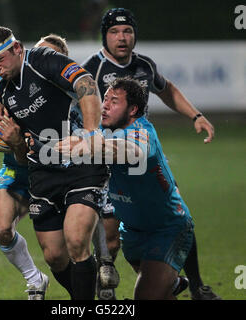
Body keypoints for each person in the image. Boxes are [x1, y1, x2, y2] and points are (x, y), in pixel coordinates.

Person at [82, 7, 220, 300]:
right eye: (115, 32)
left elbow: (166, 89)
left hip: (140, 152)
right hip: (107, 160)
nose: (122, 38)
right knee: (113, 234)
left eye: (128, 31)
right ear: (104, 36)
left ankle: (195, 284)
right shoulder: (91, 70)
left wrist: (196, 116)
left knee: (175, 210)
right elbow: (77, 109)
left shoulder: (144, 65)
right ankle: (122, 285)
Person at [0, 26, 110, 300]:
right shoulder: (3, 92)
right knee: (55, 256)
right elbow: (21, 159)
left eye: (0, 59)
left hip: (80, 166)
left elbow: (85, 83)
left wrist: (90, 133)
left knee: (76, 241)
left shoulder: (42, 60)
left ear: (17, 48)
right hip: (42, 173)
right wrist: (12, 142)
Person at [56, 77, 195, 299]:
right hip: (131, 231)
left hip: (167, 228)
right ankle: (171, 282)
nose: (105, 105)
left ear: (133, 109)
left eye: (114, 101)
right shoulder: (102, 129)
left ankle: (170, 280)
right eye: (106, 99)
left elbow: (132, 151)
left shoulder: (142, 132)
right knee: (158, 291)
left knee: (145, 295)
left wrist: (90, 146)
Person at [0, 34, 70, 300]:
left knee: (71, 244)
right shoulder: (3, 80)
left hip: (59, 168)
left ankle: (101, 269)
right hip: (18, 170)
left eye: (51, 57)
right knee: (1, 228)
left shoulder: (65, 89)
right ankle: (35, 280)